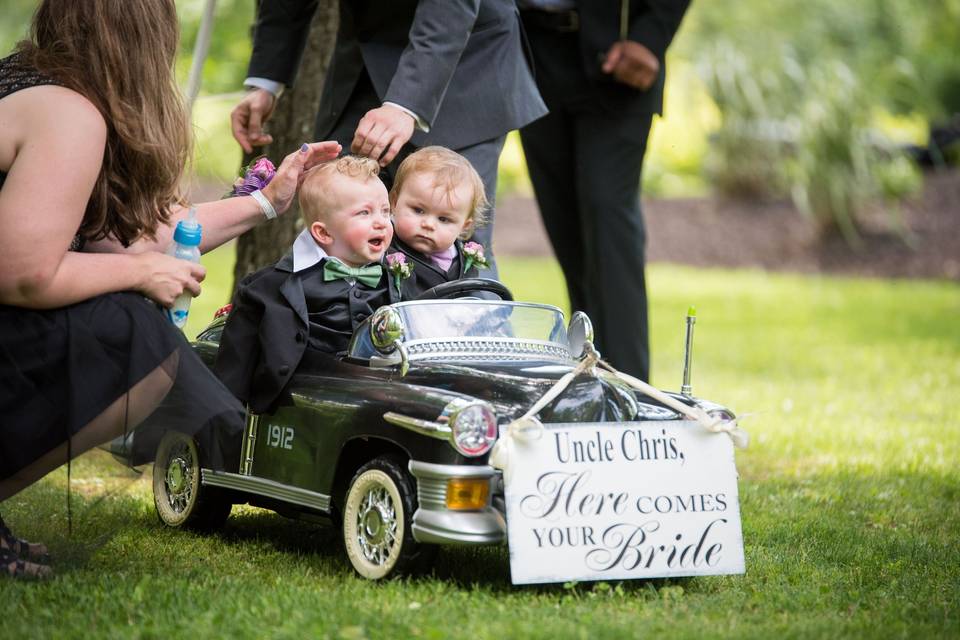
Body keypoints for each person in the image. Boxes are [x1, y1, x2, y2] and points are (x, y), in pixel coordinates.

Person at [0, 0, 341, 579]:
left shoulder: (31, 84)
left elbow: (138, 238)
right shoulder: (69, 115)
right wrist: (141, 277)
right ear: (140, 38)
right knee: (133, 336)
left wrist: (267, 201)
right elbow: (23, 272)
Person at [229, 0, 548, 278]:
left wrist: (405, 105)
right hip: (360, 69)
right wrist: (266, 83)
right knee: (333, 235)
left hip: (462, 68)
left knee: (455, 254)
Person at [518, 1, 691, 382]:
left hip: (617, 57)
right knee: (565, 228)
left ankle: (632, 393)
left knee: (607, 216)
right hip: (528, 51)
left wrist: (651, 36)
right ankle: (589, 385)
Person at [214, 156, 401, 414]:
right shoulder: (267, 289)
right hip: (298, 408)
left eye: (385, 210)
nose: (381, 222)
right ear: (323, 233)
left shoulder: (395, 277)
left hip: (372, 405)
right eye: (364, 213)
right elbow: (232, 377)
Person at [389, 146, 490, 299]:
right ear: (394, 203)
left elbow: (474, 303)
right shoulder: (381, 250)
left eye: (443, 219)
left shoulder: (464, 261)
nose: (428, 224)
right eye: (418, 210)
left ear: (463, 226)